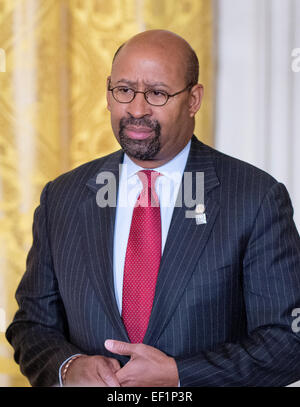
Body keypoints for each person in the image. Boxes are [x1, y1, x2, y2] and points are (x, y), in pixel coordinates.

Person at [6, 29, 300, 387]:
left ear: (193, 100)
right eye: (124, 90)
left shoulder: (255, 198)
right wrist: (67, 367)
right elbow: (31, 325)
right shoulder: (63, 197)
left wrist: (181, 376)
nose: (137, 109)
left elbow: (289, 341)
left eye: (158, 93)